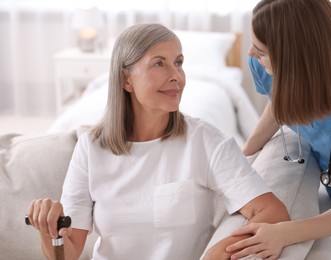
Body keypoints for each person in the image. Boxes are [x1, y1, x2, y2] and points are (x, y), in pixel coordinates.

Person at [26, 23, 289, 260]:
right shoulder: (90, 147)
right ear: (125, 79)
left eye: (179, 62)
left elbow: (272, 212)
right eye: (159, 63)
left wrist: (217, 252)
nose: (177, 75)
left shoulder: (205, 140)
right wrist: (48, 228)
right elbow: (68, 252)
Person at [225, 0, 331, 259]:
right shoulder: (263, 65)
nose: (250, 55)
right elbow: (277, 106)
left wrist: (283, 233)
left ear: (294, 57)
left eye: (261, 50)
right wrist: (242, 158)